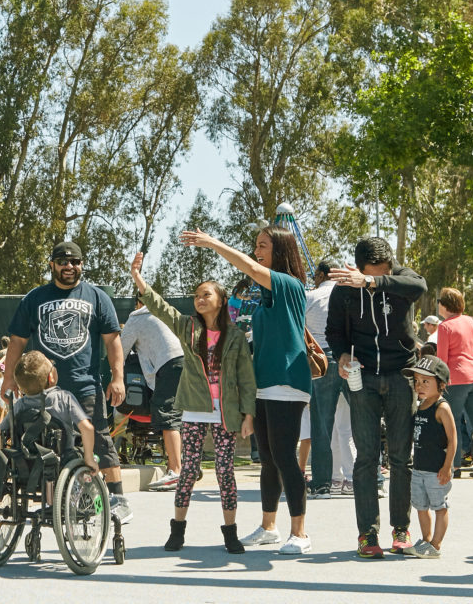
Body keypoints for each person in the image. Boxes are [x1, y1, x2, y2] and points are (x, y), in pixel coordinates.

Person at [179, 225, 313, 554]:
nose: (257, 250)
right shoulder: (266, 296)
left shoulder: (289, 284)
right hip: (264, 386)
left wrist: (211, 243)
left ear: (280, 250)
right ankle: (269, 526)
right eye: (256, 245)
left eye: (264, 245)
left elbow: (251, 269)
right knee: (267, 458)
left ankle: (300, 533)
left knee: (284, 456)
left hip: (286, 383)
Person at [130, 253, 256, 554]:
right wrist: (138, 279)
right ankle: (177, 530)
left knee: (226, 471)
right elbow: (161, 308)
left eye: (206, 294)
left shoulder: (236, 337)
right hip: (194, 411)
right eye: (197, 295)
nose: (199, 299)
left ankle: (230, 533)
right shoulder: (188, 327)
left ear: (221, 300)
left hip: (225, 413)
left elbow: (247, 379)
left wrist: (248, 414)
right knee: (188, 470)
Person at [2, 241, 131, 522]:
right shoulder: (34, 299)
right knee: (47, 445)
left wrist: (118, 377)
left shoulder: (97, 297)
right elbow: (17, 341)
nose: (69, 266)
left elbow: (113, 340)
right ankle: (57, 501)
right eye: (63, 261)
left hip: (86, 385)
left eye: (75, 261)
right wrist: (9, 379)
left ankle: (118, 497)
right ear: (52, 265)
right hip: (45, 391)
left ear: (82, 264)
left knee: (99, 439)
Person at [326, 235, 427, 558]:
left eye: (385, 269)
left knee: (401, 458)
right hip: (363, 377)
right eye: (371, 271)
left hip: (401, 375)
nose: (381, 275)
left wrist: (371, 281)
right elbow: (334, 332)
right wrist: (341, 355)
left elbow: (419, 288)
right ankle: (367, 534)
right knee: (366, 458)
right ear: (357, 267)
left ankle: (401, 530)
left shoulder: (404, 278)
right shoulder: (343, 291)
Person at [120, 295, 185, 490]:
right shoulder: (166, 314)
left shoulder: (136, 317)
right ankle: (183, 466)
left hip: (169, 363)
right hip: (186, 361)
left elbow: (120, 352)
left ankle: (176, 471)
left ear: (138, 303)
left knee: (166, 413)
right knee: (178, 414)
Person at [430, 287, 473, 479]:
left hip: (456, 379)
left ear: (445, 305)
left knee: (453, 422)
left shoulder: (445, 326)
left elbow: (441, 358)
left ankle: (455, 466)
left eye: (440, 301)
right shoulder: (472, 321)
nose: (438, 304)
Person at [1, 351, 99, 473]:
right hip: (63, 462)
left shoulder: (20, 405)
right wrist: (89, 458)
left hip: (27, 465)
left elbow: (0, 432)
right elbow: (87, 429)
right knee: (90, 456)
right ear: (51, 377)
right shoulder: (64, 398)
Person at [401, 355, 456, 559]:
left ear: (440, 384)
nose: (419, 385)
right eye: (416, 381)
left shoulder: (441, 408)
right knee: (421, 507)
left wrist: (447, 466)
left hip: (436, 470)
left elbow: (453, 440)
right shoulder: (420, 406)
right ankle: (425, 540)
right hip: (419, 467)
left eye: (426, 381)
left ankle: (436, 545)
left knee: (439, 507)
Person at [306, 260, 342, 500]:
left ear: (320, 275)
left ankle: (321, 484)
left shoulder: (311, 297)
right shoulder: (350, 294)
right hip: (352, 358)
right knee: (363, 422)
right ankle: (376, 480)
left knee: (321, 425)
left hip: (323, 360)